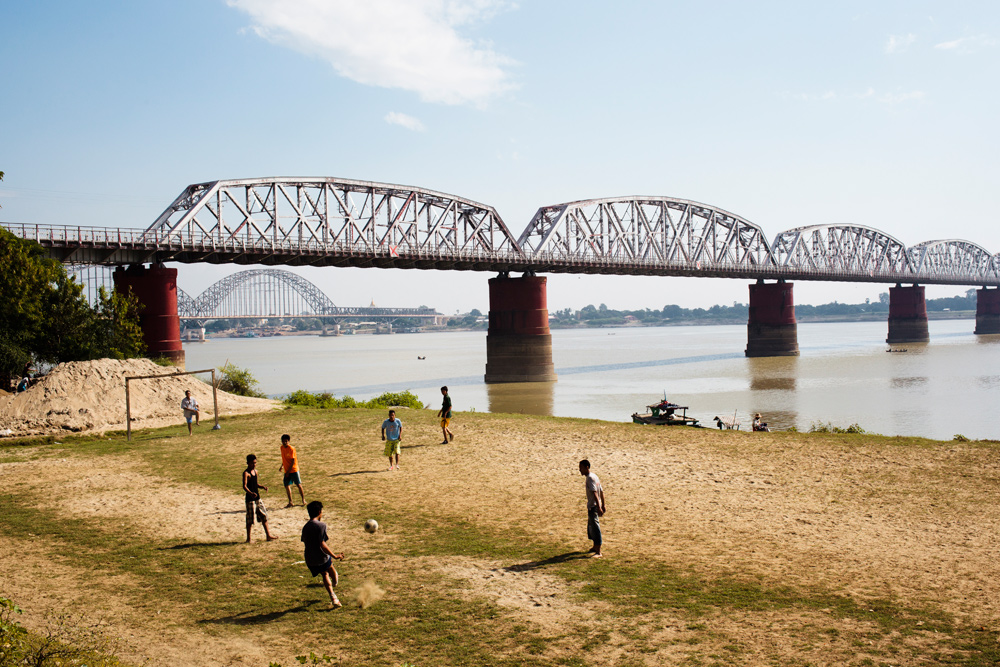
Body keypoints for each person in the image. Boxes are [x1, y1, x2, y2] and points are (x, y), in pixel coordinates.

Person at [302, 500, 345, 609]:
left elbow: (305, 541)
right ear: (319, 512)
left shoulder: (305, 527)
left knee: (324, 573)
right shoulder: (321, 525)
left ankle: (333, 596)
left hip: (309, 558)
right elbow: (322, 544)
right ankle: (334, 584)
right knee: (328, 568)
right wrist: (335, 556)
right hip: (321, 557)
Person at [243, 454, 277, 543]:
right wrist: (250, 493)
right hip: (250, 500)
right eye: (252, 463)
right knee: (250, 519)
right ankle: (248, 539)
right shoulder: (246, 473)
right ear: (248, 463)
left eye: (255, 463)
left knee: (263, 516)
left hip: (258, 498)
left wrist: (262, 487)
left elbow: (256, 484)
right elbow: (244, 486)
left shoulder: (256, 472)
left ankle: (268, 535)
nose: (254, 465)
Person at [579, 459, 607, 557]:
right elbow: (601, 491)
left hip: (593, 506)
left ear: (587, 467)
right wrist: (603, 504)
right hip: (595, 505)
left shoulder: (590, 478)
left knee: (595, 527)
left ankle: (598, 551)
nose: (580, 470)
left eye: (581, 468)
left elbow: (595, 493)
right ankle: (595, 546)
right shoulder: (594, 476)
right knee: (591, 526)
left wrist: (599, 507)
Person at [278, 434, 305, 507]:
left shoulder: (291, 449)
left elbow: (293, 461)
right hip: (287, 471)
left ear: (289, 441)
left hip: (294, 470)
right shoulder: (281, 448)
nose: (284, 443)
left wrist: (288, 472)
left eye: (286, 441)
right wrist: (282, 466)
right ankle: (290, 502)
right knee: (286, 485)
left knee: (298, 485)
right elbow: (284, 458)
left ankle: (303, 500)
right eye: (283, 441)